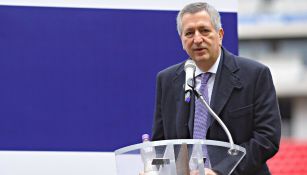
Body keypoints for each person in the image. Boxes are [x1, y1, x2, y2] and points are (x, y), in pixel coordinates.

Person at [151, 2, 281, 175]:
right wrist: (154, 168)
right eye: (189, 33)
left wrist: (219, 171)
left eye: (204, 30)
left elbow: (267, 139)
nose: (197, 39)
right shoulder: (167, 80)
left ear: (220, 35)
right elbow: (161, 145)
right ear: (182, 40)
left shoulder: (255, 75)